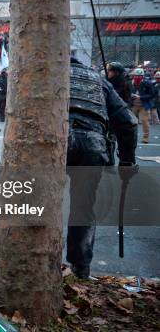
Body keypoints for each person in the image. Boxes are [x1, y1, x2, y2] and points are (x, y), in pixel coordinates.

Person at [66, 57, 137, 279]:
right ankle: (81, 268)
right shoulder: (99, 81)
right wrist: (126, 161)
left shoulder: (44, 74)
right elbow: (127, 122)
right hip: (92, 145)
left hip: (52, 140)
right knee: (83, 208)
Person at [129, 68, 154, 143]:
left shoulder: (147, 83)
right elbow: (125, 93)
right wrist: (129, 96)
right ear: (133, 76)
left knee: (144, 121)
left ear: (143, 76)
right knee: (130, 122)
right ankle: (130, 137)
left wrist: (140, 97)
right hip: (132, 105)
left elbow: (151, 95)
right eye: (136, 75)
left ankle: (145, 138)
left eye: (139, 76)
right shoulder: (129, 83)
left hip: (143, 105)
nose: (137, 77)